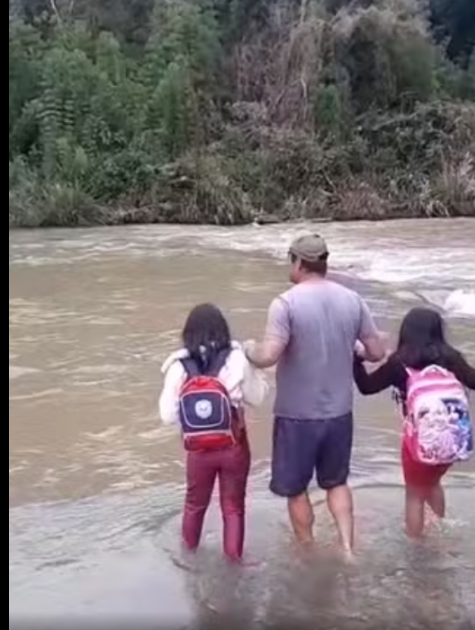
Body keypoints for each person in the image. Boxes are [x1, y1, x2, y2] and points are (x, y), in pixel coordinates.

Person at [245, 234, 387, 556]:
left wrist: (247, 349)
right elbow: (376, 352)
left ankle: (308, 553)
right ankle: (348, 549)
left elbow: (269, 355)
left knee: (296, 490)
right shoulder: (353, 300)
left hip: (297, 416)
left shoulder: (285, 303)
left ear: (297, 261)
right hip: (339, 414)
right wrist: (355, 349)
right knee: (337, 483)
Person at [353, 307, 475, 538]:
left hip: (418, 442)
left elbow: (366, 387)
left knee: (415, 493)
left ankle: (416, 543)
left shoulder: (400, 362)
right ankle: (438, 530)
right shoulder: (452, 359)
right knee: (433, 483)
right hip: (452, 439)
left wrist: (355, 359)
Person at [158, 304, 270, 563]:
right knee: (233, 508)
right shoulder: (237, 357)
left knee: (194, 505)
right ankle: (234, 563)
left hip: (198, 451)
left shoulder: (178, 365)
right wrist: (258, 373)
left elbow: (167, 416)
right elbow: (258, 397)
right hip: (233, 446)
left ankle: (188, 559)